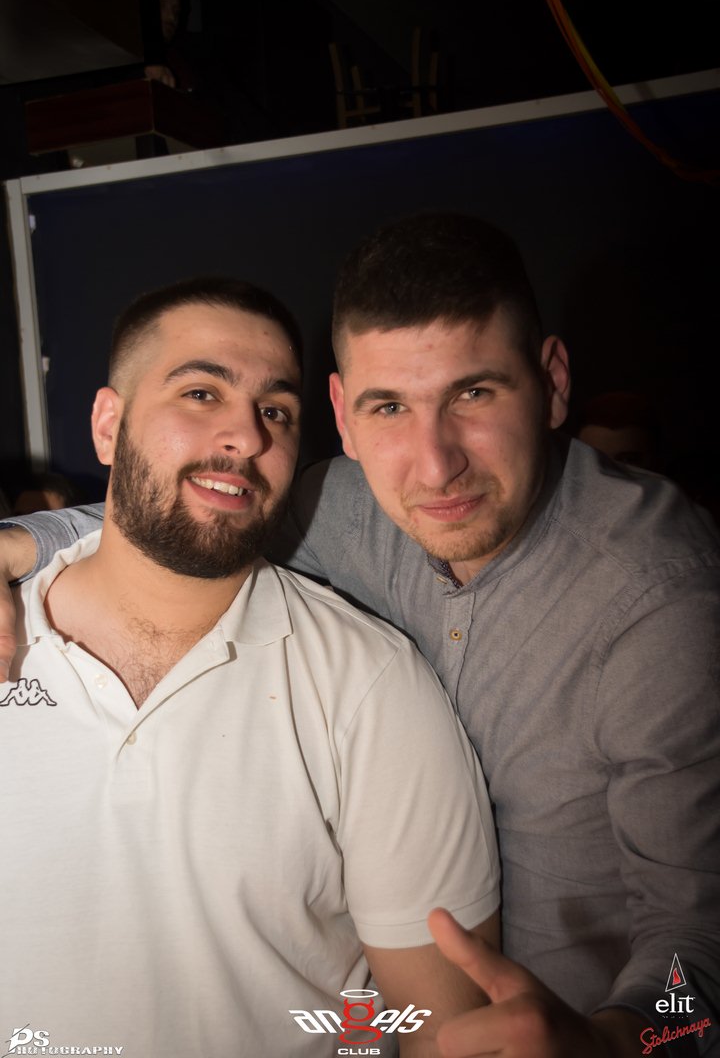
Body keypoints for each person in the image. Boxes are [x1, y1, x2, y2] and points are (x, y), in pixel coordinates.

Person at [1, 215, 719, 1056]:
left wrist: (626, 1041)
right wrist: (24, 543)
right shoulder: (338, 505)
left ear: (554, 382)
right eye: (390, 406)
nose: (435, 464)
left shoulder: (661, 595)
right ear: (343, 413)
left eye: (475, 393)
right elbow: (190, 511)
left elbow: (702, 944)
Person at [0, 276, 501, 1057]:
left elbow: (446, 1029)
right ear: (108, 424)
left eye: (276, 411)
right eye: (202, 393)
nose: (246, 437)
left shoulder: (370, 685)